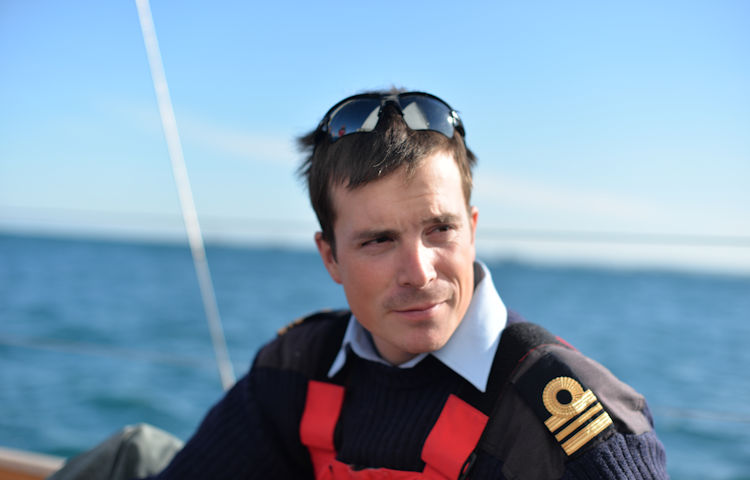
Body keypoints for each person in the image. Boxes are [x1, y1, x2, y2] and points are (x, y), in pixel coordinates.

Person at [51, 90, 669, 479]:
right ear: (330, 257)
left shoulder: (571, 420)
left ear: (473, 229)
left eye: (439, 229)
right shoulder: (296, 368)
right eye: (378, 240)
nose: (420, 272)